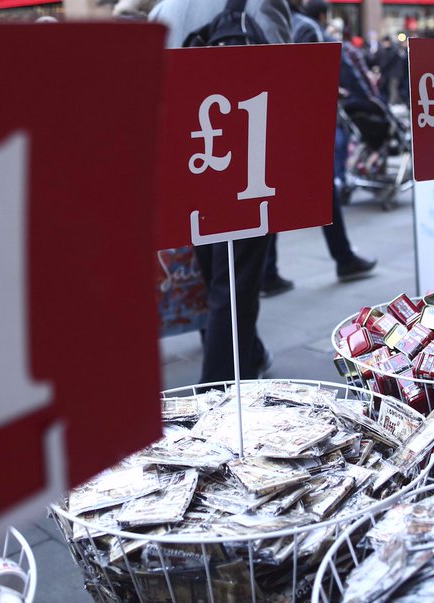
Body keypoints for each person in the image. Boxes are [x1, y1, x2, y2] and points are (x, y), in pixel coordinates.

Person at [149, 0, 292, 382]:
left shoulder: (164, 9)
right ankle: (218, 388)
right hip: (244, 165)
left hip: (187, 161)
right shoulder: (259, 2)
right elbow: (288, 76)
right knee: (234, 283)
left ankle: (249, 354)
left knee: (213, 273)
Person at [261, 0, 377, 297]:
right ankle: (344, 259)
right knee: (324, 192)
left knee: (269, 197)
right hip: (301, 126)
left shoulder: (263, 17)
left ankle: (268, 272)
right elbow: (314, 75)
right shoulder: (306, 27)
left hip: (267, 123)